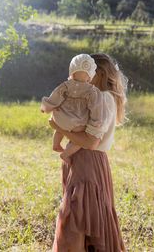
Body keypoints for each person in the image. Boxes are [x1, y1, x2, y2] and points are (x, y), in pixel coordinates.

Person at [49, 53, 128, 252]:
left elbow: (89, 141)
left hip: (87, 161)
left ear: (99, 74)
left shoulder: (99, 98)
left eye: (88, 73)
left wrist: (60, 129)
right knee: (87, 219)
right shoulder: (105, 98)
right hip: (94, 163)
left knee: (75, 222)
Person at [41, 54, 105, 164]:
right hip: (77, 122)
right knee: (82, 137)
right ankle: (65, 154)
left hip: (61, 117)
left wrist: (46, 107)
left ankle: (56, 144)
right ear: (90, 75)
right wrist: (96, 123)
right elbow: (96, 109)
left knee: (60, 127)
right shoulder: (92, 91)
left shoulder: (65, 85)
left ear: (72, 71)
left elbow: (55, 96)